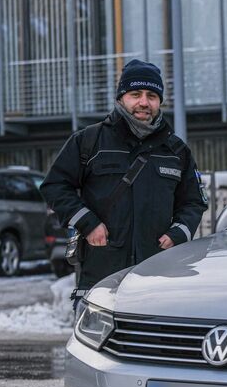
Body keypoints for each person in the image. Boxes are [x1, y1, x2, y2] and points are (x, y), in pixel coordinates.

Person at [40, 59, 208, 307]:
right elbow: (55, 185)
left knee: (156, 342)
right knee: (96, 342)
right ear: (121, 98)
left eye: (152, 95)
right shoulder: (89, 141)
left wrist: (178, 234)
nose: (144, 102)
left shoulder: (176, 151)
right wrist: (88, 223)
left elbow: (194, 202)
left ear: (159, 101)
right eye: (135, 94)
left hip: (158, 272)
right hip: (100, 273)